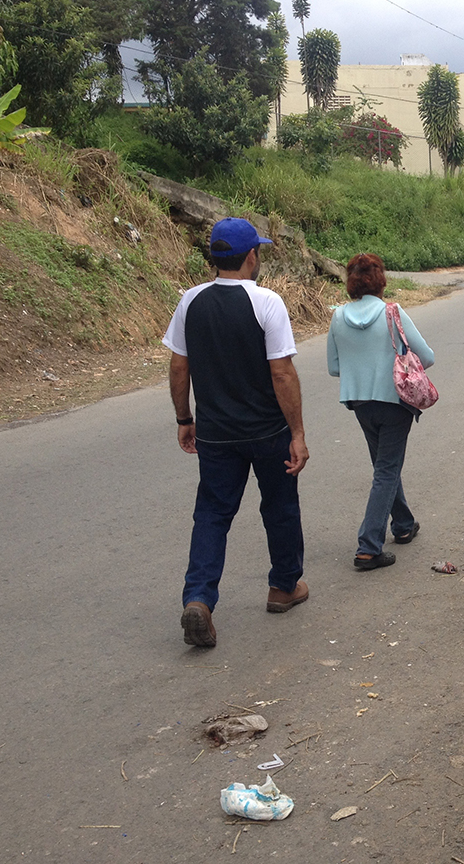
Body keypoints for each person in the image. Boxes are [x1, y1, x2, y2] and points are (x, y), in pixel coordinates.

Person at [164, 217, 310, 648]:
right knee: (280, 505)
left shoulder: (190, 302)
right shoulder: (267, 302)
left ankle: (199, 599)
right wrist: (297, 432)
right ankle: (284, 586)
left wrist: (184, 419)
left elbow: (178, 366)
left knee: (211, 513)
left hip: (216, 434)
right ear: (252, 256)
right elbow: (282, 373)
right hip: (267, 431)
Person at [327, 253, 435, 570]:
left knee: (384, 466)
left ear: (351, 283)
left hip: (360, 403)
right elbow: (426, 356)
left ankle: (403, 525)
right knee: (386, 469)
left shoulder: (337, 317)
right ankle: (368, 547)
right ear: (381, 281)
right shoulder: (392, 313)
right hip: (394, 402)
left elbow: (335, 368)